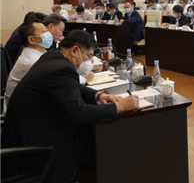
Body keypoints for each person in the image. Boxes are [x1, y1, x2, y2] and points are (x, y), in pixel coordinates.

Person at [2, 30, 138, 183]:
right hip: (33, 149)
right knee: (99, 148)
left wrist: (98, 95)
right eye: (88, 56)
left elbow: (73, 87)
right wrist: (119, 107)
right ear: (74, 51)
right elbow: (79, 113)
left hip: (27, 131)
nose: (90, 61)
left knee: (92, 139)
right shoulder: (61, 69)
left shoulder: (53, 57)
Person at [5, 22, 53, 98]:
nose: (49, 34)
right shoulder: (32, 62)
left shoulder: (40, 51)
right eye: (44, 31)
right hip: (21, 103)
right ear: (31, 39)